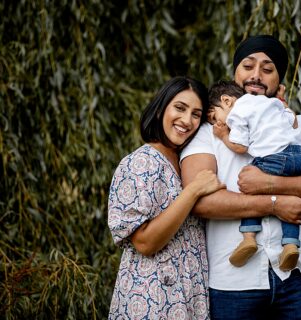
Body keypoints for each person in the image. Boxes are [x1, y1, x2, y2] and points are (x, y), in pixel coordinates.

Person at [180, 35, 301, 319]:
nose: (256, 75)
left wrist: (271, 184)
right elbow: (201, 202)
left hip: (299, 277)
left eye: (267, 69)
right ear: (235, 71)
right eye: (248, 66)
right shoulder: (207, 133)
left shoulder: (300, 126)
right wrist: (274, 204)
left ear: (278, 79)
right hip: (233, 281)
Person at [107, 76, 225, 319]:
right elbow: (145, 243)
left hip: (189, 294)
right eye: (180, 108)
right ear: (161, 109)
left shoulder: (185, 163)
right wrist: (192, 191)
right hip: (152, 297)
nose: (186, 120)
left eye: (196, 114)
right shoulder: (140, 162)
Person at [208, 80, 301, 271]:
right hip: (299, 157)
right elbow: (292, 118)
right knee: (291, 197)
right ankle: (290, 245)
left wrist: (223, 135)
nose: (218, 123)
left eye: (215, 116)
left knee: (250, 185)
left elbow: (241, 147)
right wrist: (282, 99)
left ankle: (249, 238)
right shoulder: (270, 102)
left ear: (227, 101)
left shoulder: (237, 112)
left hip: (273, 158)